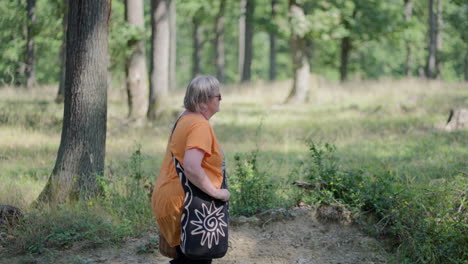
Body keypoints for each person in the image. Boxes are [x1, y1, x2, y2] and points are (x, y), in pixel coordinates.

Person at [152, 75, 230, 264]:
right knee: (196, 260)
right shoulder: (199, 126)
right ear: (204, 101)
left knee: (186, 260)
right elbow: (192, 167)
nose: (221, 99)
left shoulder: (184, 119)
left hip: (172, 199)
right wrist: (217, 193)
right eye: (218, 96)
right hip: (188, 205)